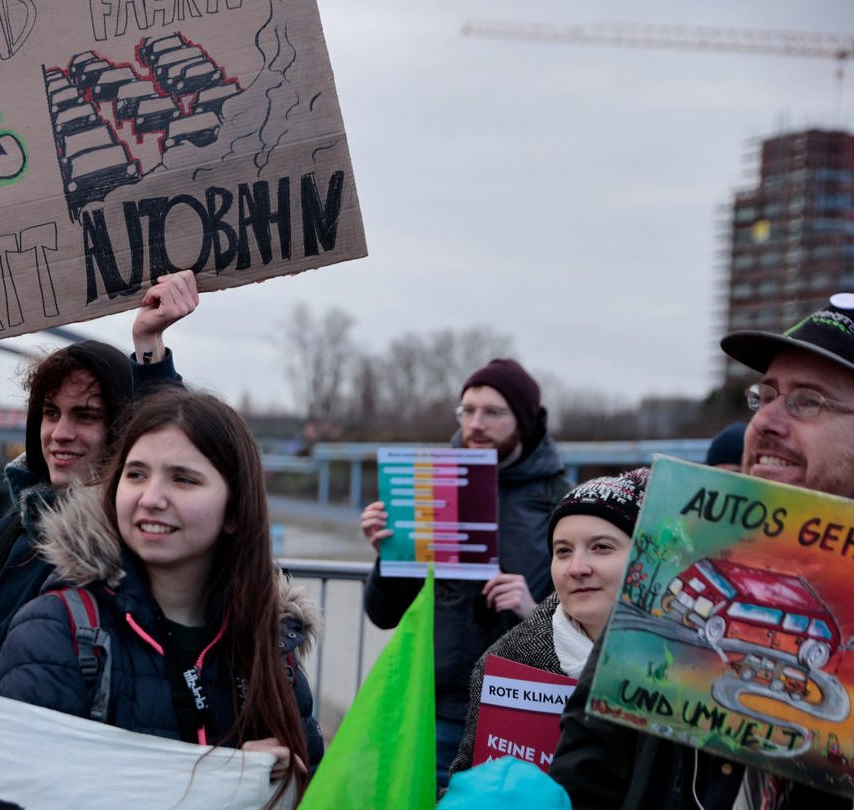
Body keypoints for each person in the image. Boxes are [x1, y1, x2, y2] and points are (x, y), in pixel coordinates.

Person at [550, 293, 854, 808]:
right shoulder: (685, 558)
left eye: (808, 401)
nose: (766, 422)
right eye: (767, 396)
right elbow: (588, 764)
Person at [0, 387, 323, 802]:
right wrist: (218, 784)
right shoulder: (57, 634)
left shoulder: (272, 650)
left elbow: (317, 790)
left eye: (183, 479)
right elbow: (10, 792)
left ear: (235, 512)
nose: (151, 499)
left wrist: (281, 783)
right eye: (136, 474)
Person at [0, 270, 198, 691]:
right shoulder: (5, 541)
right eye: (50, 413)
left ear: (121, 429)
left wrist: (150, 350)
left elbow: (170, 447)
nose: (60, 433)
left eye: (86, 416)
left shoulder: (136, 532)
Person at [362, 357, 571, 787]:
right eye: (467, 410)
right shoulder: (429, 488)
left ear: (527, 421)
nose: (475, 423)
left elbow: (590, 621)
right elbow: (383, 613)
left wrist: (533, 609)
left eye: (493, 412)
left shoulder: (562, 503)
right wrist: (389, 554)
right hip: (436, 711)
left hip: (523, 710)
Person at [449, 467, 649, 776]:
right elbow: (471, 786)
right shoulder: (506, 665)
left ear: (645, 559)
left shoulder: (693, 669)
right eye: (563, 551)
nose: (577, 568)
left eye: (601, 547)